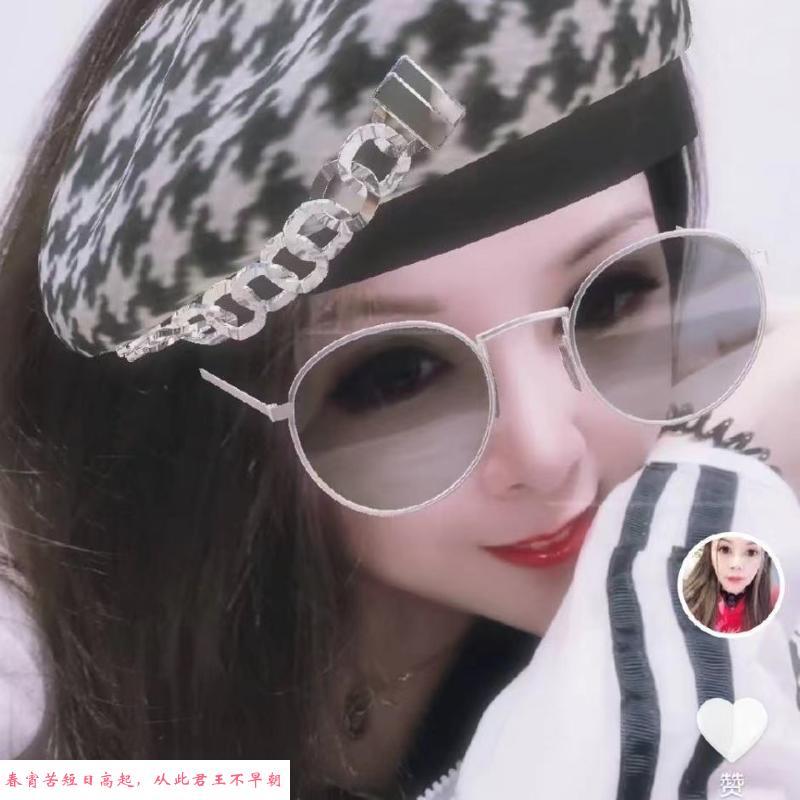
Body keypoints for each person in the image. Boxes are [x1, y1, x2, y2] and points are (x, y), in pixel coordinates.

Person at [0, 1, 798, 799]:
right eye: (398, 375)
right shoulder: (32, 677)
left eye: (611, 299)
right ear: (207, 428)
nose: (548, 452)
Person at [683, 536, 779, 634]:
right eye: (725, 549)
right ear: (710, 552)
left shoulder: (777, 604)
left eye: (751, 552)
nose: (736, 565)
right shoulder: (685, 602)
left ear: (763, 558)